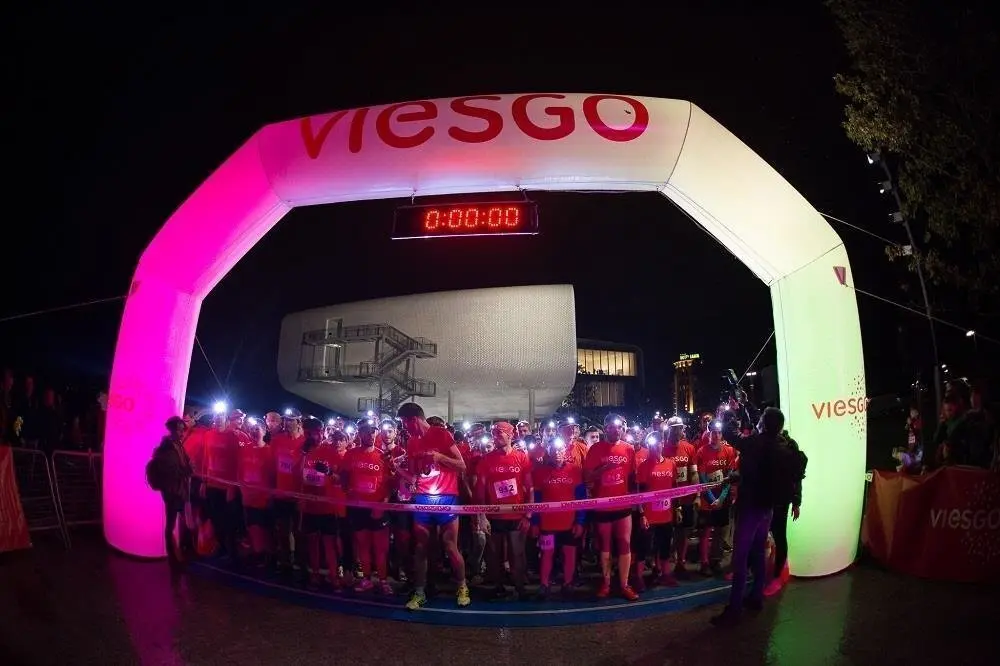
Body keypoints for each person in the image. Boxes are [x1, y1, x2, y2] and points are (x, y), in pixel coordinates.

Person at [711, 407, 786, 627]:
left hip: (750, 506)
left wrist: (727, 413)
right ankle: (756, 597)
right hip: (768, 507)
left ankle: (734, 609)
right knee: (758, 551)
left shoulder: (754, 443)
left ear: (763, 423)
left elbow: (729, 434)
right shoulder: (781, 444)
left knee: (740, 558)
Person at [395, 402, 470, 610]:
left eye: (404, 422)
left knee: (450, 546)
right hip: (423, 498)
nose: (404, 427)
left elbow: (461, 465)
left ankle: (462, 586)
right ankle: (420, 592)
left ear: (413, 419)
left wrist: (439, 457)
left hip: (447, 497)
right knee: (421, 547)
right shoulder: (411, 443)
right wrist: (399, 470)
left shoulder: (441, 434)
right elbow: (414, 476)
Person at [584, 413, 639, 601]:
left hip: (623, 506)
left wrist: (636, 501)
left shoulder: (629, 449)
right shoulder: (595, 449)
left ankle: (624, 584)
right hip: (602, 507)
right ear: (605, 428)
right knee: (605, 546)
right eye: (611, 427)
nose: (615, 430)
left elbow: (633, 477)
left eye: (619, 427)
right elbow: (588, 477)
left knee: (625, 544)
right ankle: (606, 583)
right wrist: (603, 470)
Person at [476, 421, 533, 601]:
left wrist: (528, 515)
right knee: (495, 554)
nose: (495, 436)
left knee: (518, 553)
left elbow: (530, 488)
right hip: (495, 516)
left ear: (510, 435)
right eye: (493, 433)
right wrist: (481, 517)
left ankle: (520, 588)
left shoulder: (522, 457)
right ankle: (499, 586)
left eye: (499, 433)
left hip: (516, 515)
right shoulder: (487, 459)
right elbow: (480, 491)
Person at [342, 420, 393, 594]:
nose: (370, 435)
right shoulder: (350, 454)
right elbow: (344, 478)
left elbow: (389, 486)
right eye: (366, 431)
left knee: (380, 548)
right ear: (359, 433)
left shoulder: (383, 456)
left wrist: (382, 506)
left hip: (378, 508)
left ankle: (384, 580)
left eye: (373, 432)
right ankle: (366, 579)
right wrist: (346, 490)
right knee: (363, 546)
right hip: (358, 508)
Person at [532, 436, 586, 599]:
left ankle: (568, 583)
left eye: (560, 450)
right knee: (546, 554)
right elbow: (536, 499)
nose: (557, 453)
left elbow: (581, 499)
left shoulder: (575, 470)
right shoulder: (540, 472)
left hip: (569, 523)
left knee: (569, 554)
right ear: (548, 451)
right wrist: (535, 522)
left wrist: (580, 521)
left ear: (565, 451)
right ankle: (544, 584)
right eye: (554, 449)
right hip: (547, 523)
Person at [764, 429, 806, 596]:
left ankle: (777, 576)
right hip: (767, 499)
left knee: (779, 535)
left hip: (781, 500)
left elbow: (797, 479)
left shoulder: (788, 447)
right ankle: (770, 569)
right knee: (768, 535)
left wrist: (796, 502)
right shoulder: (768, 444)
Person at [152, 416, 193, 566]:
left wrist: (187, 468)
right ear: (173, 430)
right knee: (170, 524)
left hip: (178, 490)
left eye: (183, 430)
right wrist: (187, 470)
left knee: (178, 522)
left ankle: (178, 554)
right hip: (172, 491)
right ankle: (174, 558)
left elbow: (185, 464)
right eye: (180, 430)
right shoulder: (167, 448)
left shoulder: (176, 445)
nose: (182, 433)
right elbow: (173, 470)